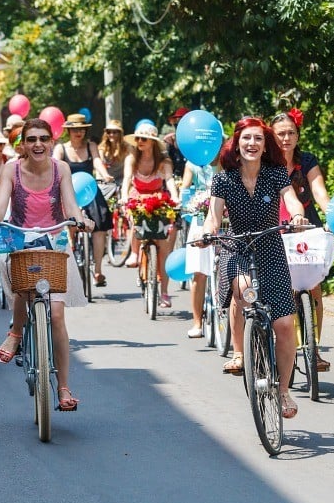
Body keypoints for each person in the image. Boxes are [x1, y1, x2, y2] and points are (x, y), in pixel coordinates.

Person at [201, 116, 309, 419]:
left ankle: (284, 391)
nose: (252, 144)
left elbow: (293, 201)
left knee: (285, 325)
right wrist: (208, 232)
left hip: (271, 248)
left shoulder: (276, 174)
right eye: (246, 139)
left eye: (258, 139)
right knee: (245, 292)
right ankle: (245, 347)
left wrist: (297, 217)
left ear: (265, 145)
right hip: (237, 247)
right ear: (237, 144)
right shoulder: (224, 179)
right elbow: (214, 215)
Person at [0, 118, 95, 411]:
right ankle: (16, 335)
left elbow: (70, 204)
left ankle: (63, 387)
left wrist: (80, 219)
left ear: (51, 142)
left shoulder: (61, 169)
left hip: (55, 240)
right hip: (20, 237)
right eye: (31, 139)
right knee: (23, 289)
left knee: (57, 314)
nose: (37, 144)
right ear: (22, 144)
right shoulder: (12, 169)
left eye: (43, 139)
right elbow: (0, 204)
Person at [271, 109, 332, 371]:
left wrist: (332, 215)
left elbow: (319, 191)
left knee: (314, 289)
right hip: (275, 227)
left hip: (307, 226)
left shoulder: (307, 161)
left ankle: (314, 349)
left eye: (291, 133)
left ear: (298, 135)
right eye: (281, 133)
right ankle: (279, 344)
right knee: (282, 290)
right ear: (271, 136)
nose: (286, 138)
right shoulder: (265, 163)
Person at [53, 113, 113, 286]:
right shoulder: (61, 148)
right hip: (67, 192)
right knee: (67, 222)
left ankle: (98, 270)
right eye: (74, 129)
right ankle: (71, 249)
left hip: (89, 191)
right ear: (69, 131)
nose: (78, 132)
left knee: (100, 226)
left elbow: (97, 162)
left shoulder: (91, 145)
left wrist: (105, 175)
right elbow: (55, 166)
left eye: (81, 129)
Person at [121, 123, 178, 307]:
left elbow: (169, 181)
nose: (139, 142)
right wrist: (123, 197)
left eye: (143, 139)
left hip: (157, 199)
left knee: (164, 248)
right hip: (137, 197)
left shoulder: (164, 161)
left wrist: (175, 197)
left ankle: (164, 293)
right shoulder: (132, 158)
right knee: (135, 220)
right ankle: (135, 252)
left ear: (152, 142)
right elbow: (126, 181)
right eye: (137, 138)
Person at [180, 150, 220, 338]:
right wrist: (187, 203)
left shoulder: (228, 162)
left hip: (224, 220)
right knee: (199, 272)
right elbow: (186, 189)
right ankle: (197, 321)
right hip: (200, 219)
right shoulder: (193, 164)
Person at [162, 106, 190, 180]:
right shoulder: (169, 141)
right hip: (175, 181)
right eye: (176, 121)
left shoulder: (195, 141)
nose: (178, 123)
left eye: (181, 120)